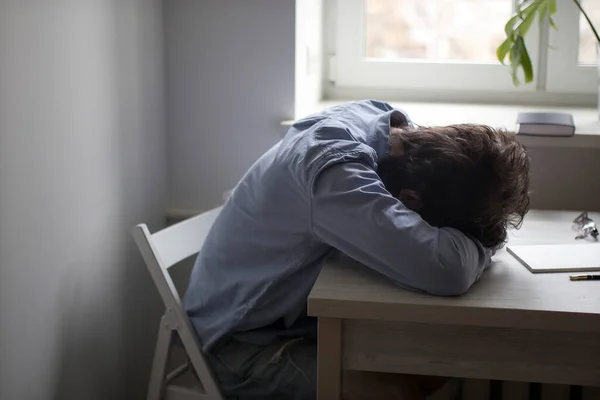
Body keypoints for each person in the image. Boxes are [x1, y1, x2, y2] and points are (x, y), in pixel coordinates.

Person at [183, 100, 530, 399]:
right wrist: (486, 242)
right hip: (237, 345)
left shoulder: (385, 123)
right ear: (411, 200)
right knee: (401, 390)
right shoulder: (337, 178)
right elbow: (448, 269)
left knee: (436, 360)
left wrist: (476, 236)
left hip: (284, 321)